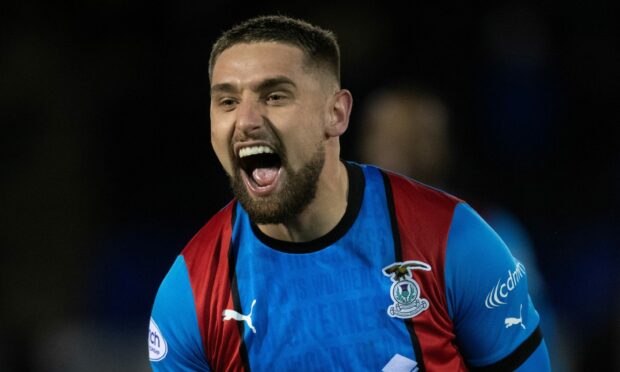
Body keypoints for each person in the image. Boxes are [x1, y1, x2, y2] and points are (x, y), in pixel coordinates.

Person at [148, 15, 551, 371]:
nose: (246, 120)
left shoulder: (454, 240)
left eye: (274, 96)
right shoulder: (189, 295)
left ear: (336, 114)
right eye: (228, 101)